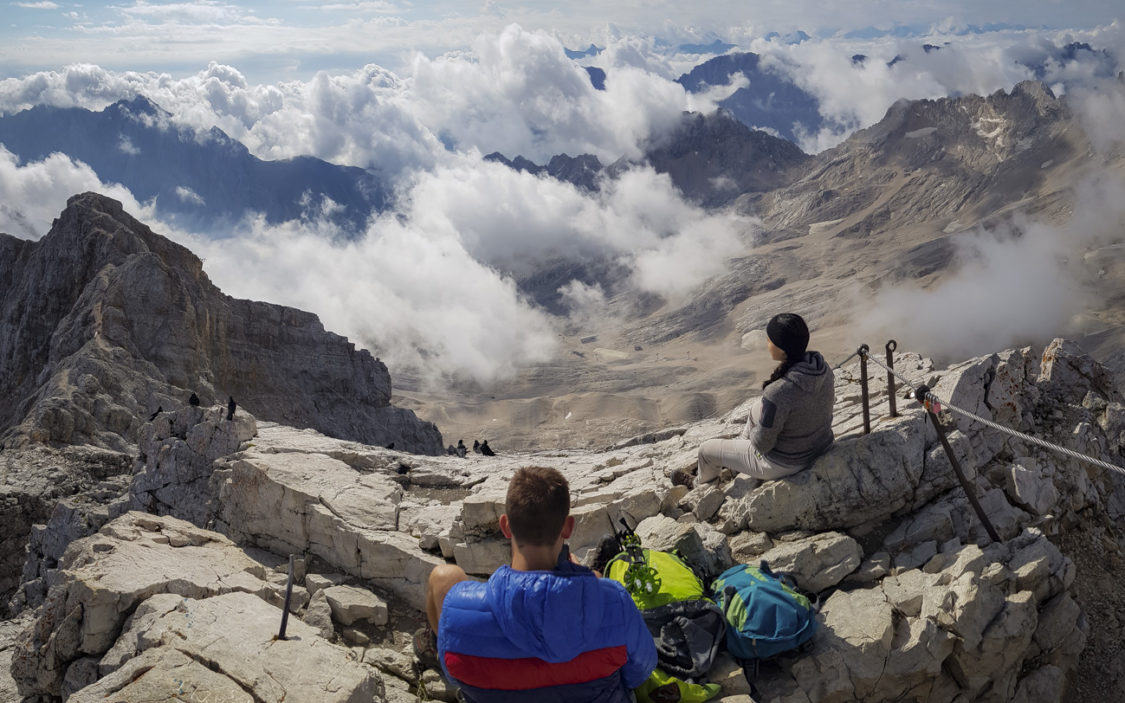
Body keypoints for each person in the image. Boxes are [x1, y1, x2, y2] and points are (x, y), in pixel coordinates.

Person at [418, 466, 657, 702]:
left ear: (505, 526)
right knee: (595, 580)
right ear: (568, 527)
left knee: (444, 575)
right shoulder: (615, 600)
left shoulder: (455, 613)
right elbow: (639, 673)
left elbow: (454, 675)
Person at [687, 313, 834, 487]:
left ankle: (702, 486)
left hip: (784, 463)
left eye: (770, 340)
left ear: (782, 349)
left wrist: (759, 429)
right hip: (820, 444)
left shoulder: (778, 392)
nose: (767, 344)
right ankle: (736, 464)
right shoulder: (820, 368)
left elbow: (762, 445)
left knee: (705, 450)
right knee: (756, 408)